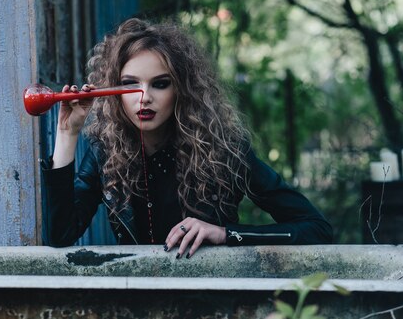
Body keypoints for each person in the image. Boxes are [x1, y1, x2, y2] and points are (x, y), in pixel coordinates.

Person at [42, 18, 332, 258]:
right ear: (115, 92)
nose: (144, 98)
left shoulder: (222, 151)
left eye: (160, 84)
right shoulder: (106, 152)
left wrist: (223, 234)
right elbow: (61, 235)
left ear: (181, 89)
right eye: (130, 85)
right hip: (140, 301)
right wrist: (67, 134)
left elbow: (316, 228)